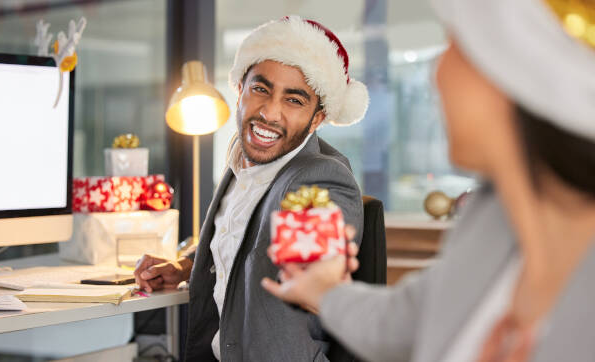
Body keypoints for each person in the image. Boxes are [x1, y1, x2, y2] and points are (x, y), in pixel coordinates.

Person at [262, 0, 595, 361]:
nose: (438, 73)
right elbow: (400, 323)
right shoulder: (488, 225)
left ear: (516, 75)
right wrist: (322, 289)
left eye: (457, 46)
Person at [134, 16, 369, 361]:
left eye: (294, 100)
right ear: (240, 87)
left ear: (318, 118)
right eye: (261, 89)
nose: (269, 113)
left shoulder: (319, 176)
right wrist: (186, 265)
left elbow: (313, 264)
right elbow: (247, 238)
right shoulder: (242, 162)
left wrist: (318, 267)